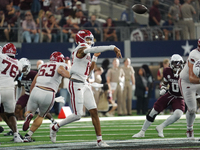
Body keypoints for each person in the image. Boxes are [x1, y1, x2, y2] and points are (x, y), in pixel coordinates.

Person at [49, 29, 122, 147]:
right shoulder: (80, 49)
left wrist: (95, 58)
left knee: (94, 111)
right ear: (81, 39)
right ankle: (55, 126)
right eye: (87, 38)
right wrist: (112, 47)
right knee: (78, 115)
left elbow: (89, 70)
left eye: (90, 38)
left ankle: (99, 141)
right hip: (75, 83)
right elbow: (93, 49)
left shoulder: (86, 52)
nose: (90, 41)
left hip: (84, 83)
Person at [22, 51, 71, 142]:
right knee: (41, 116)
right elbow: (65, 73)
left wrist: (32, 93)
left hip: (36, 89)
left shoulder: (43, 66)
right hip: (48, 92)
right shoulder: (60, 66)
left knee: (28, 111)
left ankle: (28, 116)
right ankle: (28, 136)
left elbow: (34, 82)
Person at [133, 54, 185, 138]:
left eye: (179, 63)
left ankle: (161, 126)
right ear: (171, 64)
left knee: (178, 114)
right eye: (175, 63)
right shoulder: (167, 71)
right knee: (153, 111)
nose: (177, 65)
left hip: (179, 97)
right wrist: (163, 88)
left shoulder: (185, 73)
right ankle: (142, 132)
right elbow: (165, 82)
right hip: (170, 94)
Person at [0, 43, 23, 142]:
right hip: (10, 89)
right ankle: (16, 135)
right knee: (10, 114)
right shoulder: (18, 63)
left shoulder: (1, 56)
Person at [178, 38, 200, 138]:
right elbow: (191, 78)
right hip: (187, 82)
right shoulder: (194, 55)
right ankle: (189, 129)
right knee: (192, 109)